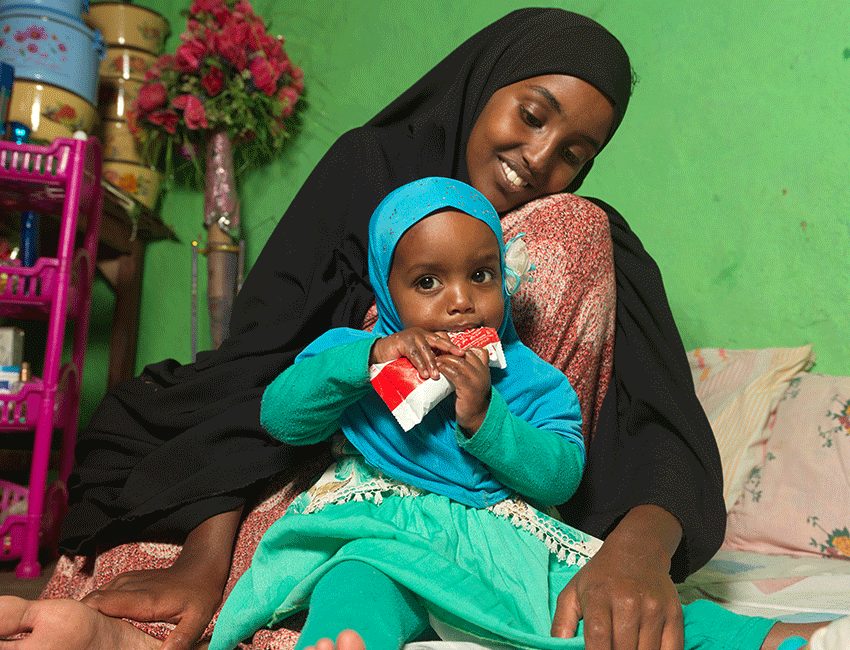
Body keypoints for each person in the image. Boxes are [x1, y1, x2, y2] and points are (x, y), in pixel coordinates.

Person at [0, 8, 750, 650]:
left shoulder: (576, 236)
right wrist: (204, 549)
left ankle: (469, 564)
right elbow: (261, 365)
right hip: (335, 470)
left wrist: (639, 552)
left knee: (577, 230)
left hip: (501, 487)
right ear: (487, 80)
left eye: (576, 153)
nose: (540, 157)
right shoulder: (370, 168)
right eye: (531, 113)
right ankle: (147, 628)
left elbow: (656, 427)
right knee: (172, 552)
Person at [208, 177, 821, 650]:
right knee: (356, 583)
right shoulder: (350, 355)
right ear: (385, 288)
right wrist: (365, 360)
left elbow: (559, 475)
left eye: (480, 275)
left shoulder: (531, 377)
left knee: (600, 607)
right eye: (427, 282)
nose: (459, 301)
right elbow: (282, 418)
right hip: (384, 532)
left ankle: (776, 638)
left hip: (496, 541)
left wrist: (486, 419)